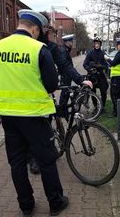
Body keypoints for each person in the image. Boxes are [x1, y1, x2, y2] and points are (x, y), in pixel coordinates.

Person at [0, 9, 69, 217]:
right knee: (46, 161)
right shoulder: (39, 49)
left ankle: (26, 206)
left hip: (8, 116)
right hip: (35, 115)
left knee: (17, 163)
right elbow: (51, 84)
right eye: (38, 31)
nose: (39, 35)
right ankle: (56, 203)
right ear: (34, 28)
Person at [28, 12, 92, 175]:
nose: (47, 31)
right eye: (47, 28)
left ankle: (45, 151)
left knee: (46, 124)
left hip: (44, 94)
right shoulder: (25, 45)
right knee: (33, 130)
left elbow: (64, 65)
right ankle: (34, 159)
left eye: (48, 28)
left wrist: (80, 80)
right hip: (26, 95)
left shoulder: (51, 47)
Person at [83, 36, 109, 112]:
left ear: (100, 44)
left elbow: (106, 65)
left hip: (100, 75)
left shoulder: (103, 53)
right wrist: (90, 69)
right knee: (92, 92)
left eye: (98, 43)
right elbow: (85, 64)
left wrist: (101, 66)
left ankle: (102, 107)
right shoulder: (90, 53)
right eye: (95, 43)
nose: (96, 45)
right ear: (94, 44)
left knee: (103, 92)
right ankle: (95, 107)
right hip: (92, 76)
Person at [105, 38, 120, 117]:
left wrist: (107, 59)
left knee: (114, 95)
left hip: (117, 78)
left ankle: (116, 112)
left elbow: (113, 63)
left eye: (118, 44)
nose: (117, 46)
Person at [58, 34, 77, 107]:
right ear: (67, 42)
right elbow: (63, 65)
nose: (72, 43)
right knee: (65, 93)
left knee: (66, 92)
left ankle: (63, 108)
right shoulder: (64, 51)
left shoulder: (66, 50)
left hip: (67, 75)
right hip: (65, 75)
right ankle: (61, 109)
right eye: (71, 41)